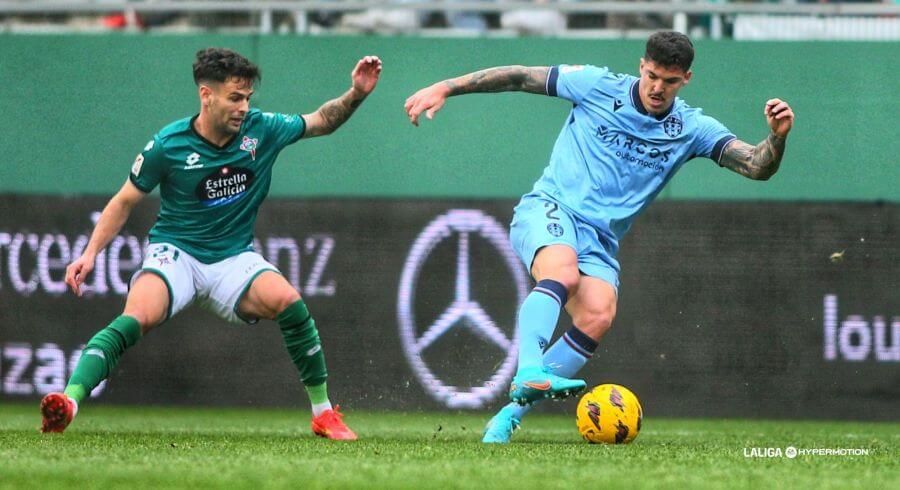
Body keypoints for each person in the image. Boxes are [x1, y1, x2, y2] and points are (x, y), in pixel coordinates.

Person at [404, 31, 793, 443]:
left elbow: (756, 166)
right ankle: (530, 370)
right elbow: (520, 77)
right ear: (641, 66)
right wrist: (444, 87)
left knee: (598, 314)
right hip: (551, 209)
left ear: (686, 80)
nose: (658, 87)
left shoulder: (692, 128)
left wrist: (778, 136)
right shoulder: (594, 84)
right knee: (563, 273)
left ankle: (508, 417)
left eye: (670, 81)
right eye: (653, 76)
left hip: (600, 240)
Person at [40, 48, 383, 440]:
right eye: (235, 98)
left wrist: (356, 92)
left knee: (289, 302)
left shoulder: (262, 129)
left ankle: (323, 414)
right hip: (176, 254)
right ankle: (68, 401)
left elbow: (322, 120)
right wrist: (89, 254)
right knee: (137, 317)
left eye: (247, 98)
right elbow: (124, 201)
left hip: (232, 258)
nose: (243, 107)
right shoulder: (168, 144)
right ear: (207, 96)